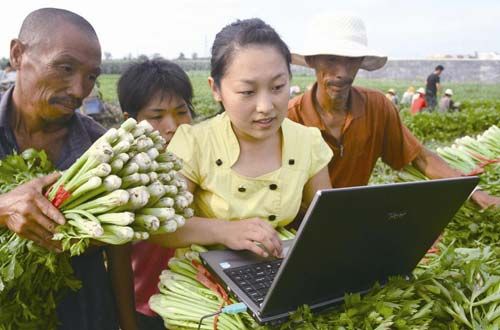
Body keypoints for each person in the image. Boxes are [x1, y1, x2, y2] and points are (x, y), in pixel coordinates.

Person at [150, 18, 332, 260]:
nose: (266, 107)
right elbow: (160, 227)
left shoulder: (307, 142)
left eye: (278, 87)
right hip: (205, 278)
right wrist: (224, 231)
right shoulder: (195, 143)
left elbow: (326, 221)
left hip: (275, 268)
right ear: (216, 89)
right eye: (247, 92)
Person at [0, 8, 136, 330]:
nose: (79, 90)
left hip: (85, 315)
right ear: (18, 54)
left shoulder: (101, 150)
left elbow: (119, 256)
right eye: (65, 68)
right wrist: (4, 207)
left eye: (91, 76)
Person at [287, 13, 499, 209]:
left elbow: (421, 158)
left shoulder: (377, 107)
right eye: (331, 59)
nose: (342, 73)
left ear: (361, 62)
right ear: (311, 60)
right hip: (295, 228)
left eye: (351, 60)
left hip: (350, 219)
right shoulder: (289, 117)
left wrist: (472, 190)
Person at [117, 58, 195, 330]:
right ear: (131, 121)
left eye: (181, 112)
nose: (172, 126)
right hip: (147, 304)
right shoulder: (124, 177)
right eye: (157, 116)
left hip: (198, 301)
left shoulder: (205, 159)